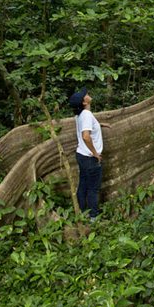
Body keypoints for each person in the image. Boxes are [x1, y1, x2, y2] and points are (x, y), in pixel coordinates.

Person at [68, 88, 109, 219]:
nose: (87, 94)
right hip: (90, 158)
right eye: (84, 95)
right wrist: (95, 153)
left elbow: (85, 126)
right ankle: (93, 217)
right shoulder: (86, 115)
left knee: (83, 184)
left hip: (81, 155)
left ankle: (82, 212)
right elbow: (86, 136)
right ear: (84, 102)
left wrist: (99, 124)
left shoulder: (80, 115)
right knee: (93, 189)